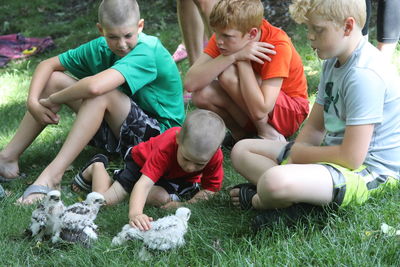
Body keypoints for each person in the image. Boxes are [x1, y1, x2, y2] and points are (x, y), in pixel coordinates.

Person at [229, 0, 400, 231]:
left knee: (273, 180)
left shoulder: (363, 75)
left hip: (369, 170)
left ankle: (262, 200)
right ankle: (299, 199)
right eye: (308, 28)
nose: (309, 37)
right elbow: (315, 127)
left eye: (317, 30)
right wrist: (297, 156)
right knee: (242, 151)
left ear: (347, 27)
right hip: (333, 155)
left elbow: (352, 157)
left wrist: (297, 159)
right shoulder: (332, 61)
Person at [0, 0, 185, 204]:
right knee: (54, 80)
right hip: (122, 131)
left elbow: (94, 87)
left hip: (162, 140)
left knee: (102, 93)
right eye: (113, 37)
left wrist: (52, 100)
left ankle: (52, 176)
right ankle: (7, 159)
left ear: (140, 26)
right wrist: (33, 102)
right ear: (101, 30)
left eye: (128, 35)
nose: (122, 44)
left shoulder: (147, 50)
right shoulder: (100, 48)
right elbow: (47, 65)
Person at [73, 109, 225, 231]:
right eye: (186, 158)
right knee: (105, 202)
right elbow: (144, 184)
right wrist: (136, 214)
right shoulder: (167, 145)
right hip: (141, 163)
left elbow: (211, 189)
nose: (190, 167)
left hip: (174, 177)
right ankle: (97, 166)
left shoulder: (213, 155)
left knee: (160, 198)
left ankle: (123, 186)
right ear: (178, 139)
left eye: (199, 164)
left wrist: (185, 205)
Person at [184, 0, 309, 146]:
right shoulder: (227, 34)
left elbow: (261, 110)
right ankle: (242, 136)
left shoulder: (277, 45)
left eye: (226, 36)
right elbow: (190, 83)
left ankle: (268, 134)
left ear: (252, 34)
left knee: (227, 74)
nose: (218, 41)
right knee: (201, 94)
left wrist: (243, 62)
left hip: (289, 114)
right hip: (255, 105)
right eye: (216, 33)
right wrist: (234, 56)